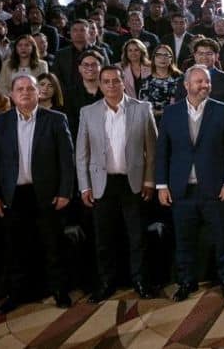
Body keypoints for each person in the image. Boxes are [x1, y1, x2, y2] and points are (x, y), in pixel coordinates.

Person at [0, 74, 76, 312]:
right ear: (12, 94)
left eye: (30, 88)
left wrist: (65, 191)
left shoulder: (55, 119)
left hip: (46, 193)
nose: (25, 92)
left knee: (53, 245)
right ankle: (16, 294)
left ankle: (59, 291)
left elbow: (67, 160)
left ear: (38, 93)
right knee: (16, 248)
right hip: (12, 195)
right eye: (20, 89)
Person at [155, 65, 224, 301]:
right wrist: (161, 185)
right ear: (186, 85)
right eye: (199, 82)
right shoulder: (171, 113)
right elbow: (162, 151)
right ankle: (186, 282)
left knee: (223, 238)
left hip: (216, 188)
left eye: (207, 81)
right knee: (184, 240)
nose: (205, 85)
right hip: (181, 190)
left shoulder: (223, 111)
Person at [76, 66, 158, 301]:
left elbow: (152, 149)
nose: (111, 85)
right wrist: (84, 186)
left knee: (137, 236)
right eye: (106, 81)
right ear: (100, 85)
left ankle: (140, 281)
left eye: (115, 81)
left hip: (134, 182)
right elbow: (81, 153)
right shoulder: (88, 112)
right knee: (104, 238)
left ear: (124, 83)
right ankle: (106, 283)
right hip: (101, 184)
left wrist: (149, 180)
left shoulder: (142, 108)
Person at [140, 44, 180, 119]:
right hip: (152, 120)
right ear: (153, 58)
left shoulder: (180, 79)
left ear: (171, 59)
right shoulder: (146, 81)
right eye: (159, 55)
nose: (163, 58)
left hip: (176, 118)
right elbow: (143, 106)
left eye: (166, 55)